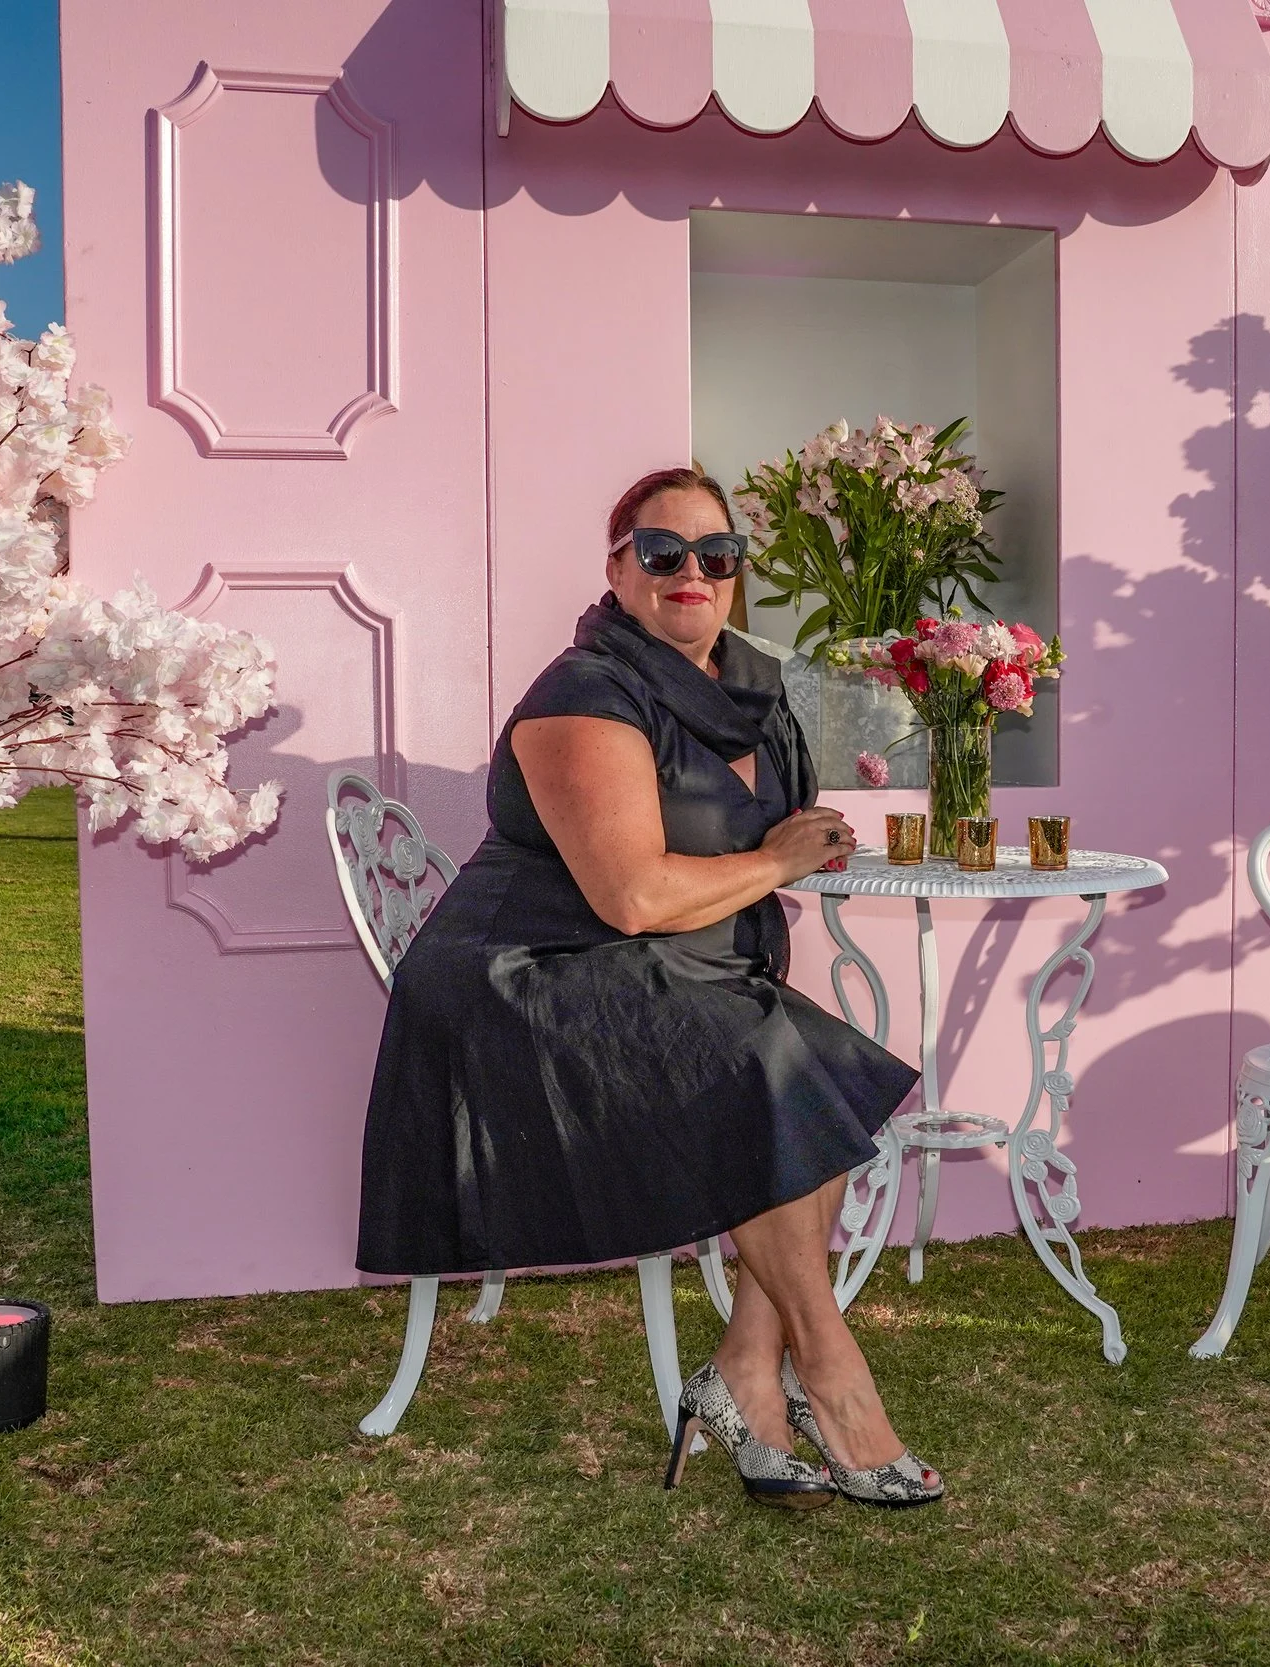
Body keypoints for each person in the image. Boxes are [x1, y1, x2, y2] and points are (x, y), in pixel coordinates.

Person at [357, 466, 941, 1510]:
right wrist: (778, 862)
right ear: (617, 566)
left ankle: (744, 1378)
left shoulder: (752, 686)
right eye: (662, 552)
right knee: (769, 1060)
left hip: (659, 969)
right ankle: (833, 1372)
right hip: (522, 983)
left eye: (716, 556)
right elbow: (629, 893)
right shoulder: (582, 692)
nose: (691, 574)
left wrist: (789, 849)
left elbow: (758, 841)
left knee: (819, 1066)